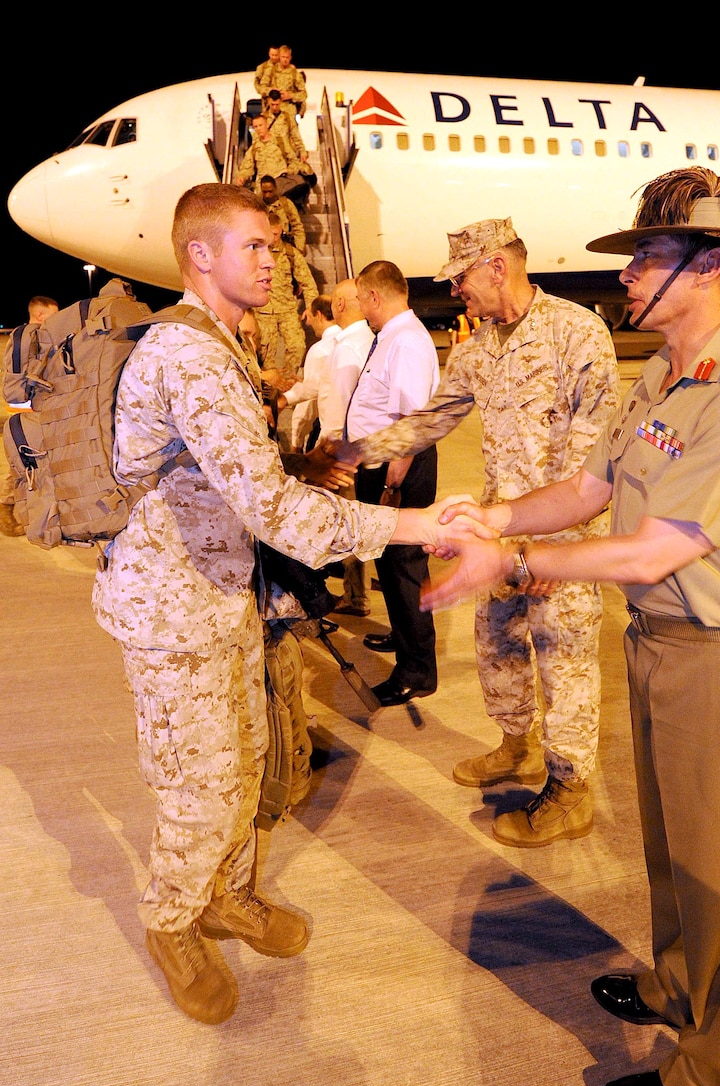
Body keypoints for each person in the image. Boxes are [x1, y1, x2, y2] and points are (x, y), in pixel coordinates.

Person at [422, 168, 720, 1086]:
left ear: (709, 264)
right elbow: (594, 485)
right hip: (664, 648)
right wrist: (498, 515)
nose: (629, 269)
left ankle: (717, 1084)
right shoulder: (666, 369)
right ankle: (676, 984)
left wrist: (509, 561)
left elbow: (653, 547)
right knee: (678, 856)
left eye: (646, 253)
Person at [90, 182, 479, 1027]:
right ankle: (173, 920)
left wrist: (292, 470)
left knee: (245, 763)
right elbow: (278, 516)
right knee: (197, 783)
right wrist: (412, 520)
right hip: (173, 611)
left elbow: (232, 477)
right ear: (200, 254)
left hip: (225, 597)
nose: (273, 259)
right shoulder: (188, 353)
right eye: (255, 246)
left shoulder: (222, 342)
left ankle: (229, 894)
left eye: (273, 245)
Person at [333, 219, 620, 842]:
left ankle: (571, 789)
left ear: (497, 266)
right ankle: (516, 744)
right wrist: (349, 457)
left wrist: (550, 553)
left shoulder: (578, 332)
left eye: (460, 276)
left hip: (558, 539)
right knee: (499, 642)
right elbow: (431, 419)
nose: (456, 290)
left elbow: (593, 459)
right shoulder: (478, 348)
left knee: (565, 661)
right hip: (495, 535)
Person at [348, 260, 441, 706]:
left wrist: (392, 483)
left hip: (397, 468)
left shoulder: (405, 342)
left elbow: (414, 421)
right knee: (391, 566)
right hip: (383, 464)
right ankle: (405, 640)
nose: (362, 309)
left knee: (403, 568)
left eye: (363, 299)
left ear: (374, 296)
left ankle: (417, 671)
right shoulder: (393, 337)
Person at [319, 277, 376, 617]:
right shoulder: (370, 339)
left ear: (339, 305)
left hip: (343, 451)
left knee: (347, 524)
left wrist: (328, 454)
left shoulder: (346, 348)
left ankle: (355, 597)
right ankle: (360, 592)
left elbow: (338, 407)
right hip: (365, 448)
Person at [1, 294, 59, 536]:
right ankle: (7, 507)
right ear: (40, 315)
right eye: (53, 315)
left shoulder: (21, 338)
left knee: (28, 464)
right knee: (22, 466)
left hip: (25, 412)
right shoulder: (33, 340)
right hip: (30, 413)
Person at [254, 212, 317, 379]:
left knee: (297, 346)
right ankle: (270, 388)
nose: (273, 238)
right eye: (270, 234)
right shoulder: (255, 254)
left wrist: (310, 307)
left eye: (276, 234)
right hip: (262, 311)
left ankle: (288, 382)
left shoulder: (291, 254)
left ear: (281, 230)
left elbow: (308, 284)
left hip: (287, 309)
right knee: (265, 353)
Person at [281, 295, 338, 453]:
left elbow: (308, 404)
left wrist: (296, 442)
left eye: (311, 317)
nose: (310, 323)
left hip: (326, 430)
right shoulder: (356, 342)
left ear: (319, 315)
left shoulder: (319, 350)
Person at [259, 175, 306, 254]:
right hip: (263, 248)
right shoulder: (256, 205)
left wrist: (300, 248)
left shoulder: (286, 204)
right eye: (265, 192)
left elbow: (297, 227)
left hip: (284, 248)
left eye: (270, 191)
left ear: (275, 189)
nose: (267, 195)